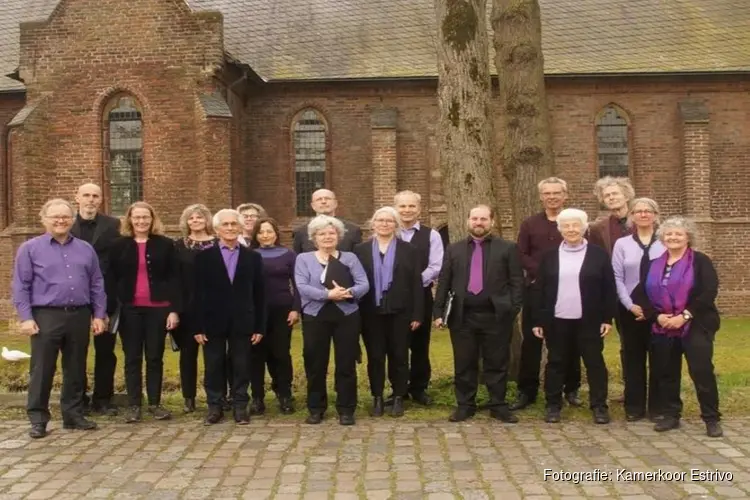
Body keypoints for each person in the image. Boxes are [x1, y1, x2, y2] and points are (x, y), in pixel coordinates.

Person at [12, 199, 107, 439]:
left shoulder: (85, 249)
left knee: (76, 368)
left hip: (79, 314)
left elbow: (96, 283)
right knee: (42, 369)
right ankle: (38, 418)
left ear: (72, 219)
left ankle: (73, 415)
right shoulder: (30, 249)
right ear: (44, 219)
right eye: (55, 217)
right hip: (46, 315)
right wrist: (25, 317)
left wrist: (98, 314)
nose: (60, 221)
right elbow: (21, 285)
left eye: (65, 216)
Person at [433, 205, 523, 423]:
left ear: (491, 221)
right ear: (468, 221)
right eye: (474, 218)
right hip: (462, 316)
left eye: (483, 219)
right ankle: (465, 405)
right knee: (464, 362)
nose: (478, 222)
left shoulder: (507, 248)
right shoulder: (454, 249)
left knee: (497, 362)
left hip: (496, 316)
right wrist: (438, 312)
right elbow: (444, 281)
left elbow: (517, 281)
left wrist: (513, 308)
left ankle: (498, 405)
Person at [532, 208, 616, 424]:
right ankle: (553, 405)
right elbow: (540, 289)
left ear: (584, 227)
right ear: (560, 229)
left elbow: (609, 288)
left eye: (575, 225)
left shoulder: (599, 255)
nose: (571, 229)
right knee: (556, 362)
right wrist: (538, 320)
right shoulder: (549, 256)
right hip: (557, 320)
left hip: (589, 320)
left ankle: (599, 406)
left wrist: (607, 318)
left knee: (594, 363)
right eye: (566, 226)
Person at [644, 217, 722, 437]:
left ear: (688, 237)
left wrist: (685, 315)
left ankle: (711, 418)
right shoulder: (654, 264)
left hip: (695, 324)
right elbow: (643, 293)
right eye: (668, 234)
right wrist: (657, 316)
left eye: (678, 234)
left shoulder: (700, 261)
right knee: (667, 372)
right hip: (663, 326)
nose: (673, 237)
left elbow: (709, 291)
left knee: (701, 371)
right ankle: (671, 415)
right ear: (662, 238)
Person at [511, 177, 582, 411]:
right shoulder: (530, 224)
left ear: (565, 195)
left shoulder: (575, 223)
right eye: (547, 193)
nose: (552, 197)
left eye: (557, 193)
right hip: (536, 290)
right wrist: (542, 273)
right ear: (541, 197)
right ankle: (526, 391)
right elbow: (521, 253)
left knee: (569, 341)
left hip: (569, 292)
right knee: (531, 342)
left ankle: (571, 388)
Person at [294, 215, 369, 425]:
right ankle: (316, 408)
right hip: (315, 315)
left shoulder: (350, 258)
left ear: (339, 236)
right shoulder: (304, 259)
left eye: (331, 233)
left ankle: (346, 409)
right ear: (314, 238)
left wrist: (348, 292)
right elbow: (302, 286)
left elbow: (364, 284)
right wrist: (328, 295)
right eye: (322, 233)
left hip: (346, 315)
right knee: (315, 363)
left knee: (346, 363)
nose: (327, 237)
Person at [193, 209, 266, 425]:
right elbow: (196, 294)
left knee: (241, 365)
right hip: (212, 321)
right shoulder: (204, 258)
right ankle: (215, 406)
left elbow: (260, 293)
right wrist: (197, 327)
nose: (230, 228)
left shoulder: (253, 257)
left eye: (234, 224)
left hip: (244, 320)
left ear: (241, 227)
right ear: (216, 229)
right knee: (213, 364)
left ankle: (240, 406)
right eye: (225, 224)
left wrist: (260, 326)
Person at [110, 202, 181, 423]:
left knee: (154, 357)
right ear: (129, 220)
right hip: (130, 309)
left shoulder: (166, 245)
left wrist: (174, 310)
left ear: (152, 220)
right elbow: (110, 278)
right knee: (132, 358)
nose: (141, 221)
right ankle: (134, 405)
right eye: (137, 217)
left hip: (158, 310)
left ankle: (154, 404)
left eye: (146, 217)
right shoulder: (118, 245)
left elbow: (175, 278)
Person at [354, 207, 423, 417]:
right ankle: (377, 396)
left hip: (400, 311)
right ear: (373, 224)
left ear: (396, 225)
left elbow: (416, 284)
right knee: (375, 356)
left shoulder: (409, 250)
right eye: (380, 220)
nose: (384, 224)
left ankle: (399, 396)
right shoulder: (360, 250)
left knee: (399, 355)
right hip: (370, 312)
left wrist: (417, 314)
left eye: (389, 221)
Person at [611, 198, 665, 422]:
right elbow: (617, 276)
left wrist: (654, 308)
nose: (643, 214)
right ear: (631, 216)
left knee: (660, 357)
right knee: (633, 357)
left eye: (648, 211)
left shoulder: (665, 242)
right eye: (638, 211)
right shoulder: (622, 244)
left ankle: (658, 407)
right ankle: (634, 407)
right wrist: (628, 305)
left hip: (659, 309)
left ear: (655, 215)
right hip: (629, 308)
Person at [70, 183, 121, 416]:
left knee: (105, 352)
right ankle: (77, 399)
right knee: (75, 352)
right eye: (86, 195)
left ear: (101, 200)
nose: (91, 200)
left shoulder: (113, 225)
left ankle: (103, 399)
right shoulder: (66, 224)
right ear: (77, 198)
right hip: (75, 297)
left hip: (106, 296)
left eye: (95, 196)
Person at [589, 175, 636, 403]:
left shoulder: (643, 219)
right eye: (606, 195)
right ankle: (631, 390)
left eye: (615, 193)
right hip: (615, 292)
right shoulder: (599, 228)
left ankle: (654, 389)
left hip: (643, 291)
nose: (611, 198)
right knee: (627, 343)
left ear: (626, 195)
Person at [393, 190, 443, 406]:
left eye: (411, 206)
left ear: (419, 209)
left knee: (420, 345)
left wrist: (414, 282)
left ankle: (419, 389)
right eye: (402, 206)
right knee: (396, 345)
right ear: (396, 208)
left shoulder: (431, 235)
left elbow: (436, 266)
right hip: (393, 297)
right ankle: (398, 390)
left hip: (421, 296)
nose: (407, 210)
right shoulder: (389, 232)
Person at [249, 217, 300, 415]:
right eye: (261, 232)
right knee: (256, 355)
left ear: (276, 233)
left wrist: (296, 309)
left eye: (269, 231)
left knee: (281, 354)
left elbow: (297, 284)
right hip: (255, 313)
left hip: (282, 311)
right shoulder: (249, 255)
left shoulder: (289, 255)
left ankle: (285, 395)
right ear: (256, 236)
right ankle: (257, 398)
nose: (266, 235)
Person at [173, 204, 216, 413]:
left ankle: (214, 396)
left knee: (214, 354)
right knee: (188, 355)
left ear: (207, 220)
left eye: (200, 217)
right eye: (192, 218)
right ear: (186, 221)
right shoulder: (179, 245)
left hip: (212, 306)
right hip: (187, 307)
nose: (196, 221)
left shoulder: (217, 244)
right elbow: (173, 277)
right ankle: (189, 398)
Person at [293, 189, 362, 253]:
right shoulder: (300, 232)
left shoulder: (353, 230)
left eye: (327, 198)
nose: (323, 202)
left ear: (336, 203)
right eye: (319, 199)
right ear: (313, 206)